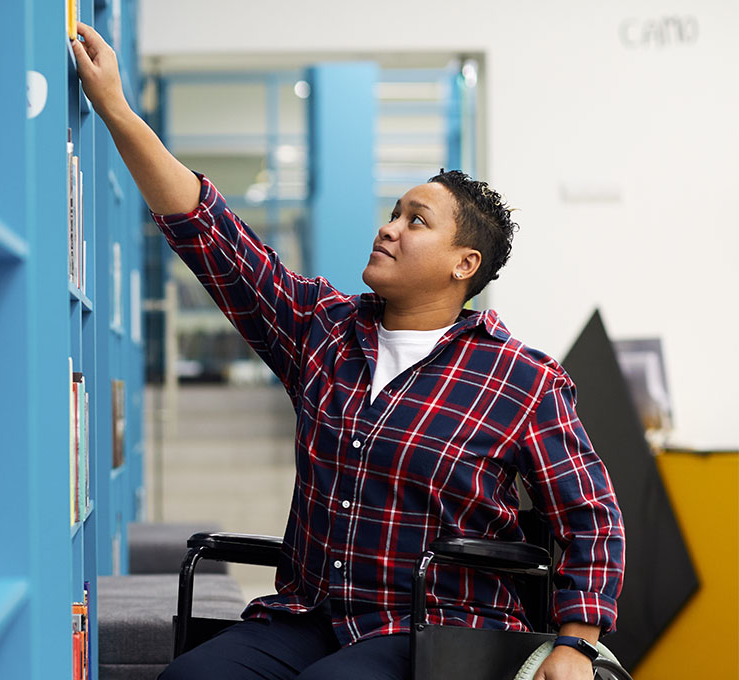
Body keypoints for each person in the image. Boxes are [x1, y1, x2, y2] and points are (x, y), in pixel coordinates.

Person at [71, 22, 625, 680]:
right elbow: (209, 233)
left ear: (463, 263)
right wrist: (115, 109)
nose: (389, 227)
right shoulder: (322, 329)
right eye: (393, 211)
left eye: (415, 220)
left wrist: (576, 643)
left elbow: (592, 516)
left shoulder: (522, 380)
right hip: (310, 615)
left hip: (436, 630)